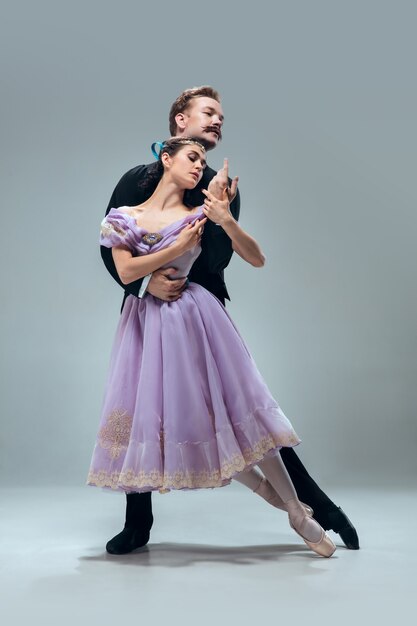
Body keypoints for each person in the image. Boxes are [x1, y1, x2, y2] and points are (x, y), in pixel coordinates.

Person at [99, 86, 359, 552]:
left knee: (241, 411)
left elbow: (218, 259)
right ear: (180, 120)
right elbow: (113, 255)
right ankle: (138, 522)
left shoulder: (219, 188)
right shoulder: (136, 180)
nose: (218, 121)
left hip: (199, 313)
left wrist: (215, 213)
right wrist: (145, 283)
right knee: (144, 407)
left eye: (222, 116)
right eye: (208, 113)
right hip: (147, 309)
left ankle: (312, 506)